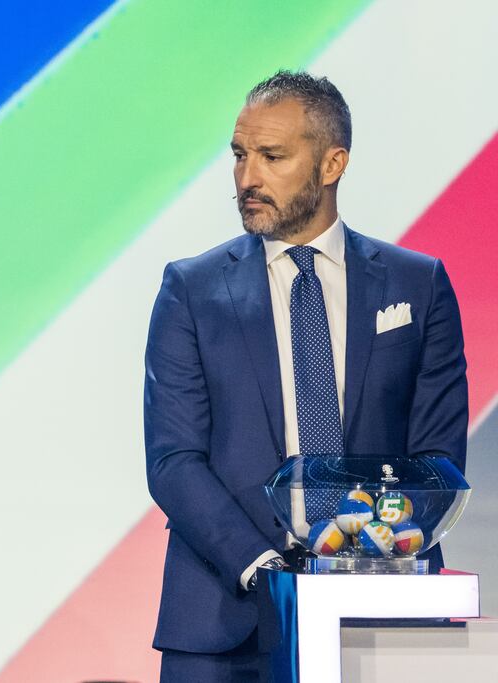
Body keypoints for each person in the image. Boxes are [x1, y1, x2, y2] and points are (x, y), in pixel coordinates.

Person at [143, 71, 467, 681]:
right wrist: (268, 570)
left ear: (331, 164)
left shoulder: (416, 285)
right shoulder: (190, 289)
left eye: (272, 157)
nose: (247, 179)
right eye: (239, 156)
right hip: (223, 620)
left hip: (381, 615)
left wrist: (359, 561)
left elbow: (435, 460)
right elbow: (173, 460)